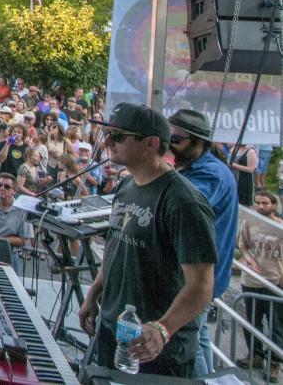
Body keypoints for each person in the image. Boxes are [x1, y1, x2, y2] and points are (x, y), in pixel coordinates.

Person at [79, 103, 217, 377]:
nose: (108, 141)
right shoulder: (125, 187)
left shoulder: (184, 203)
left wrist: (162, 329)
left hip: (156, 351)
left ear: (151, 144)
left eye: (118, 136)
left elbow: (202, 286)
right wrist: (94, 293)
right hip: (113, 335)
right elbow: (115, 247)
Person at [168, 108, 239, 377]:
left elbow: (180, 209)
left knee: (190, 343)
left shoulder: (211, 175)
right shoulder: (193, 167)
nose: (169, 145)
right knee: (201, 335)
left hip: (199, 277)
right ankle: (209, 379)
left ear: (197, 143)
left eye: (175, 140)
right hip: (200, 275)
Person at [236, 188, 283, 381]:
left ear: (274, 205)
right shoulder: (250, 222)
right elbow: (243, 245)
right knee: (252, 322)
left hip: (273, 281)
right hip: (251, 280)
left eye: (265, 203)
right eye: (258, 202)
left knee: (276, 326)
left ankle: (274, 364)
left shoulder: (279, 227)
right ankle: (255, 355)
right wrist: (247, 259)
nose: (260, 206)